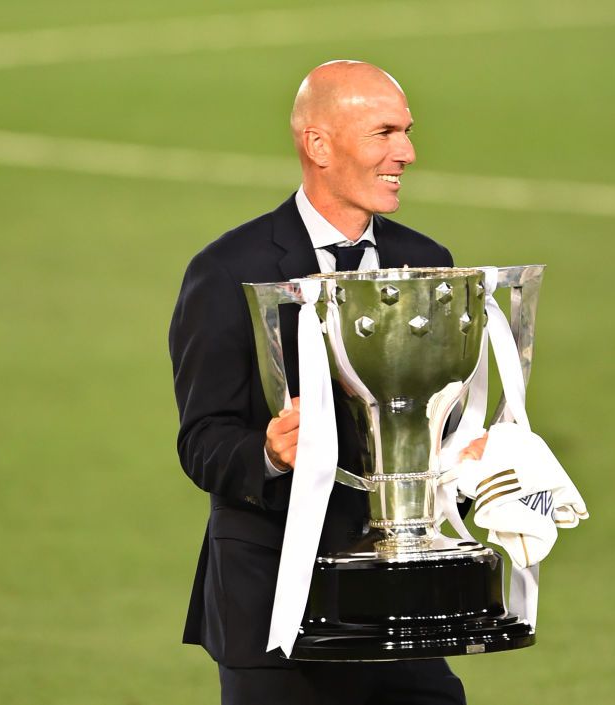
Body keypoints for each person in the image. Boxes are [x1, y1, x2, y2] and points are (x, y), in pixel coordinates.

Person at [169, 60, 481, 705]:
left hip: (398, 602)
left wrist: (480, 465)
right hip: (275, 611)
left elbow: (438, 425)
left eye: (407, 132)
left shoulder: (427, 263)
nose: (407, 153)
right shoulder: (228, 269)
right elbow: (202, 440)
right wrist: (267, 451)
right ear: (318, 144)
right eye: (384, 133)